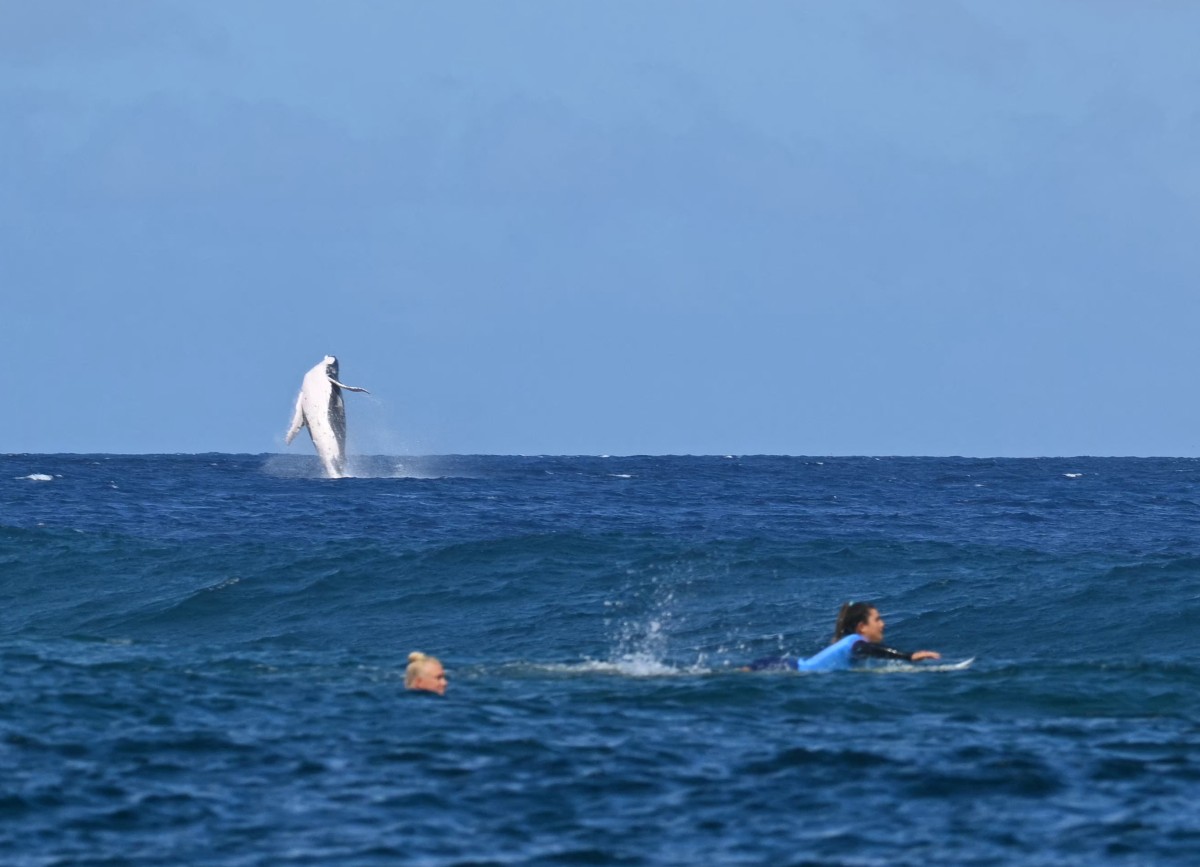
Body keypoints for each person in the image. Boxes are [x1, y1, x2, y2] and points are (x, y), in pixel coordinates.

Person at [744, 601, 941, 672]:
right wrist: (908, 657)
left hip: (784, 665)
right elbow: (870, 650)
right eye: (878, 619)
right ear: (862, 627)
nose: (883, 624)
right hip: (782, 668)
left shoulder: (850, 642)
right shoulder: (856, 642)